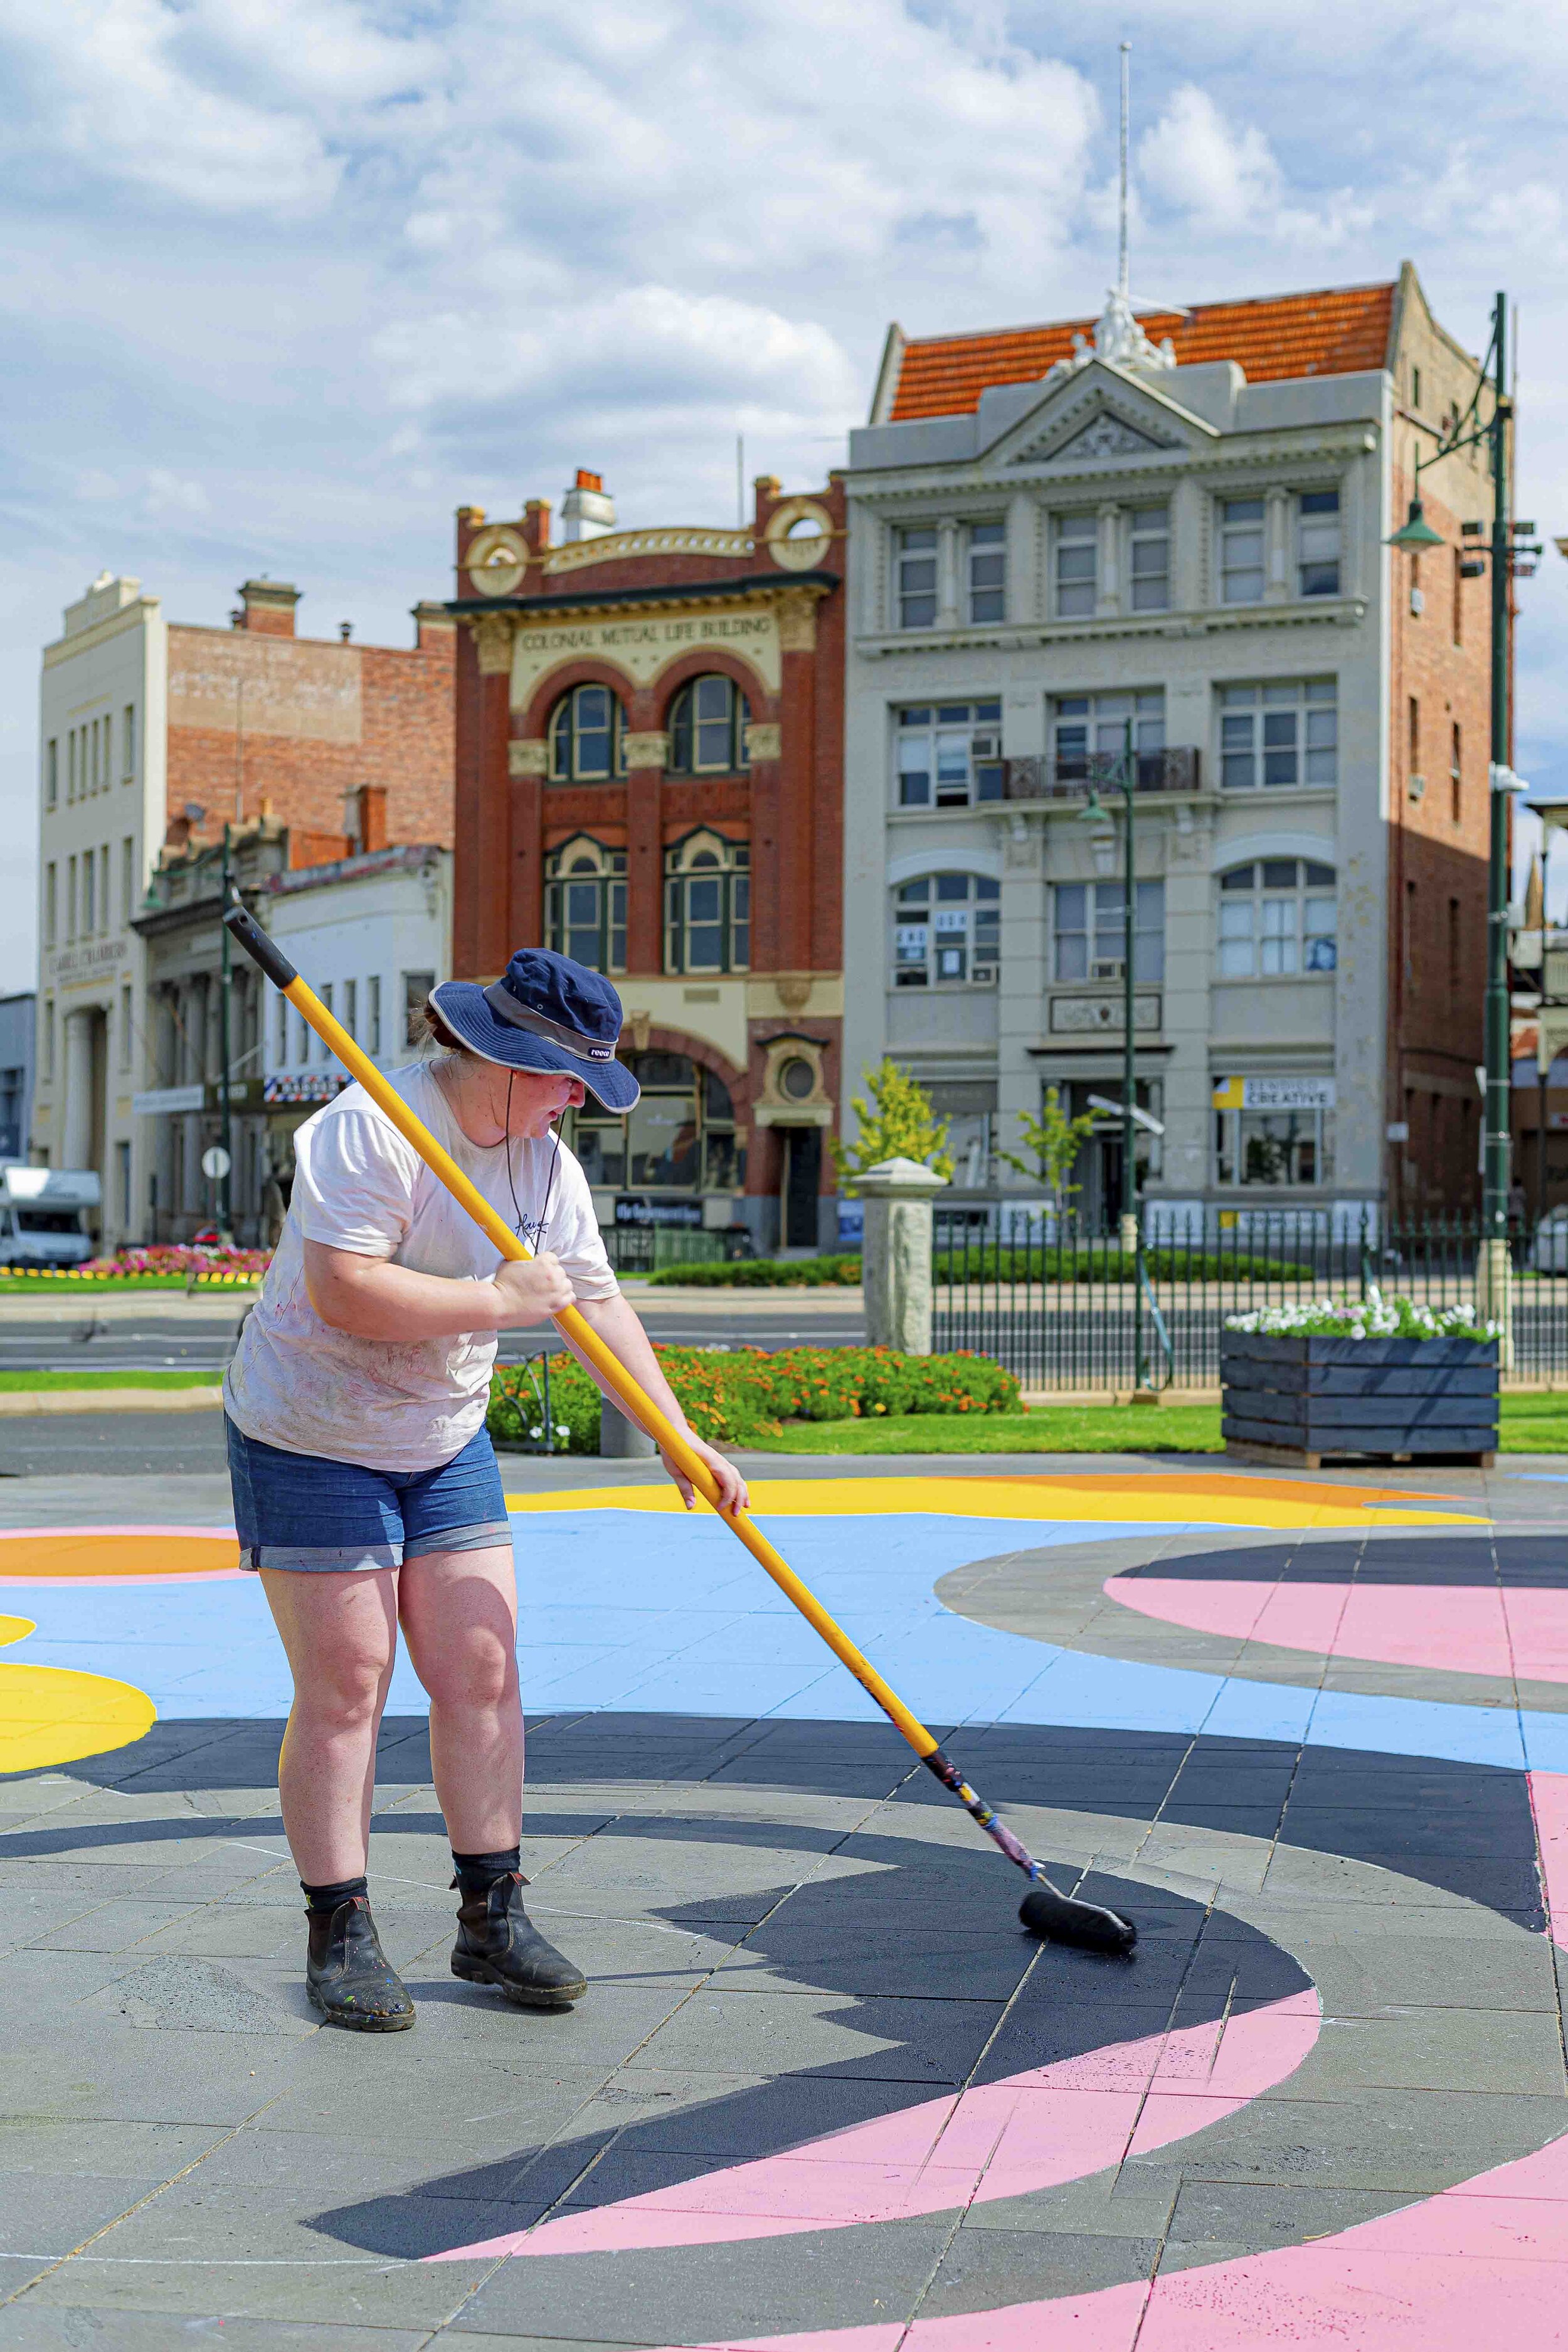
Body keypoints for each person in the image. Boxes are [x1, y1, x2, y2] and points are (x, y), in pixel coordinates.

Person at [223, 947, 748, 2031]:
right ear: (504, 1057)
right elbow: (345, 1292)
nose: (575, 1106)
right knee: (350, 1678)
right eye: (567, 1080)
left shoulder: (548, 1165)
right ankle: (341, 1926)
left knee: (481, 1662)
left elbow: (595, 1306)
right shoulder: (370, 1128)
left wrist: (676, 1435)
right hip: (310, 1430)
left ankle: (491, 1913)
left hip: (442, 1432)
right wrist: (497, 1299)